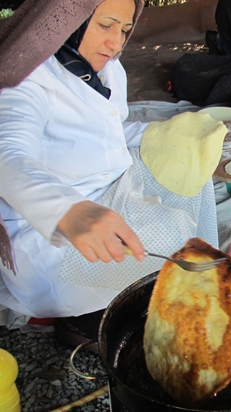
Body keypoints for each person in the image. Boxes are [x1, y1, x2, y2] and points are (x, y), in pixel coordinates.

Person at [0, 0, 219, 330]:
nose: (116, 43)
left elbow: (110, 130)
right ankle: (85, 323)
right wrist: (68, 211)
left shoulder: (105, 68)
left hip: (103, 190)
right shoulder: (28, 83)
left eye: (125, 30)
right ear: (68, 21)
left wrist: (171, 134)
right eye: (105, 25)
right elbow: (7, 155)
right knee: (172, 240)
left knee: (192, 167)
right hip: (50, 235)